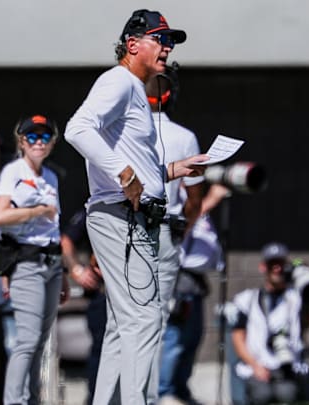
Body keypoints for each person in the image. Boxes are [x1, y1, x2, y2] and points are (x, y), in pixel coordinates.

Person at [64, 9, 207, 404]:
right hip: (121, 216)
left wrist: (174, 169)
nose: (167, 48)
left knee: (122, 324)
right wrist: (123, 173)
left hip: (127, 216)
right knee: (144, 319)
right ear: (132, 45)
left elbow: (135, 163)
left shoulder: (133, 90)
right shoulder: (120, 81)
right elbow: (77, 129)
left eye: (170, 42)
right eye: (160, 39)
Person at [0, 115, 69, 405]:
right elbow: (0, 216)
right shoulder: (14, 171)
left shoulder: (49, 176)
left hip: (50, 263)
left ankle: (32, 399)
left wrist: (63, 271)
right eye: (32, 137)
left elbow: (55, 228)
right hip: (26, 263)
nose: (39, 142)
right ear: (22, 141)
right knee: (26, 340)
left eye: (45, 137)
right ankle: (13, 401)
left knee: (39, 341)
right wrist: (36, 210)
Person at [144, 64, 204, 405]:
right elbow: (193, 199)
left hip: (126, 232)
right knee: (156, 322)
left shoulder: (121, 131)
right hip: (165, 231)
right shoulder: (184, 137)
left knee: (125, 325)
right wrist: (184, 230)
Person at [157, 185, 227, 405]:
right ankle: (163, 391)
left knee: (192, 339)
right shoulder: (176, 200)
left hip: (196, 283)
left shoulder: (196, 204)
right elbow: (181, 228)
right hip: (179, 280)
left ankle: (180, 389)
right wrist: (211, 200)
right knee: (174, 339)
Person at [228, 242, 309, 405]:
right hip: (258, 365)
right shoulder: (247, 299)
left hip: (288, 366)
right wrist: (255, 366)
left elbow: (307, 320)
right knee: (262, 395)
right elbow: (238, 337)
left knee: (287, 394)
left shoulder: (296, 298)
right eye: (272, 265)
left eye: (281, 265)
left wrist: (302, 275)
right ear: (263, 267)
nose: (277, 269)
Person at [60, 210, 105, 405]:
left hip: (132, 294)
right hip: (102, 293)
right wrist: (77, 270)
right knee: (102, 350)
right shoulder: (93, 211)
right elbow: (66, 241)